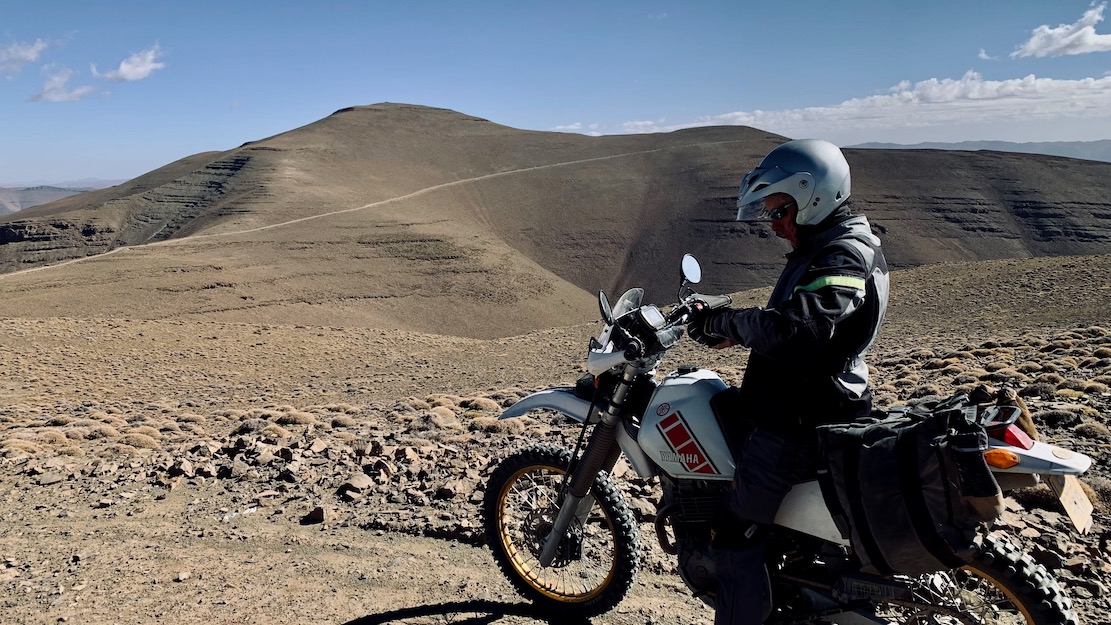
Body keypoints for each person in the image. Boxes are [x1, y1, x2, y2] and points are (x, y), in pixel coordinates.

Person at [687, 139, 889, 625]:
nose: (773, 223)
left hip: (798, 423)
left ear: (813, 197)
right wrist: (738, 331)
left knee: (732, 536)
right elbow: (804, 323)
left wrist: (726, 322)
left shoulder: (840, 255)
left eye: (780, 210)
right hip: (811, 401)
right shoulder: (834, 241)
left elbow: (801, 333)